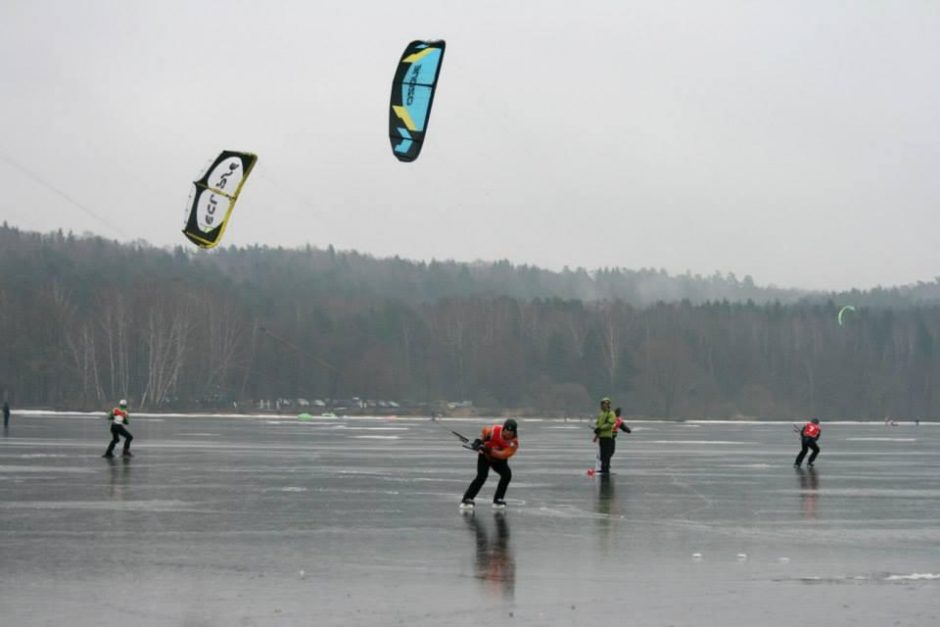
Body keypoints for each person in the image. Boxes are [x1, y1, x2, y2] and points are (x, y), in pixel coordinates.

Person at [460, 418, 519, 509]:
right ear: (503, 429)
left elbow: (503, 455)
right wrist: (479, 442)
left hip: (499, 460)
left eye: (511, 432)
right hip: (484, 457)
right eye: (506, 430)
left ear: (514, 432)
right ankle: (467, 499)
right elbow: (484, 433)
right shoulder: (493, 431)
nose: (508, 433)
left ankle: (498, 499)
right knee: (481, 476)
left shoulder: (514, 443)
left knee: (507, 475)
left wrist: (490, 450)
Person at [593, 397, 617, 475]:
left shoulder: (611, 413)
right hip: (601, 437)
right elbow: (598, 423)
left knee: (607, 454)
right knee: (602, 454)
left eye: (604, 404)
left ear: (608, 404)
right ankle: (603, 468)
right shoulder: (601, 413)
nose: (602, 405)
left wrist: (600, 428)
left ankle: (606, 469)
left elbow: (610, 424)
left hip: (607, 437)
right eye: (602, 404)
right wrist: (596, 431)